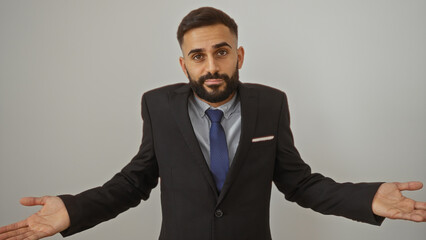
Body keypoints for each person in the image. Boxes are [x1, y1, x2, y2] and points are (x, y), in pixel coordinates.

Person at [0, 6, 425, 240]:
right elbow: (133, 183)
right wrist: (72, 210)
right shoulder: (157, 106)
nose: (211, 67)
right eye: (198, 57)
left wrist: (367, 199)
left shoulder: (271, 104)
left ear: (238, 56)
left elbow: (299, 183)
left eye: (221, 52)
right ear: (183, 64)